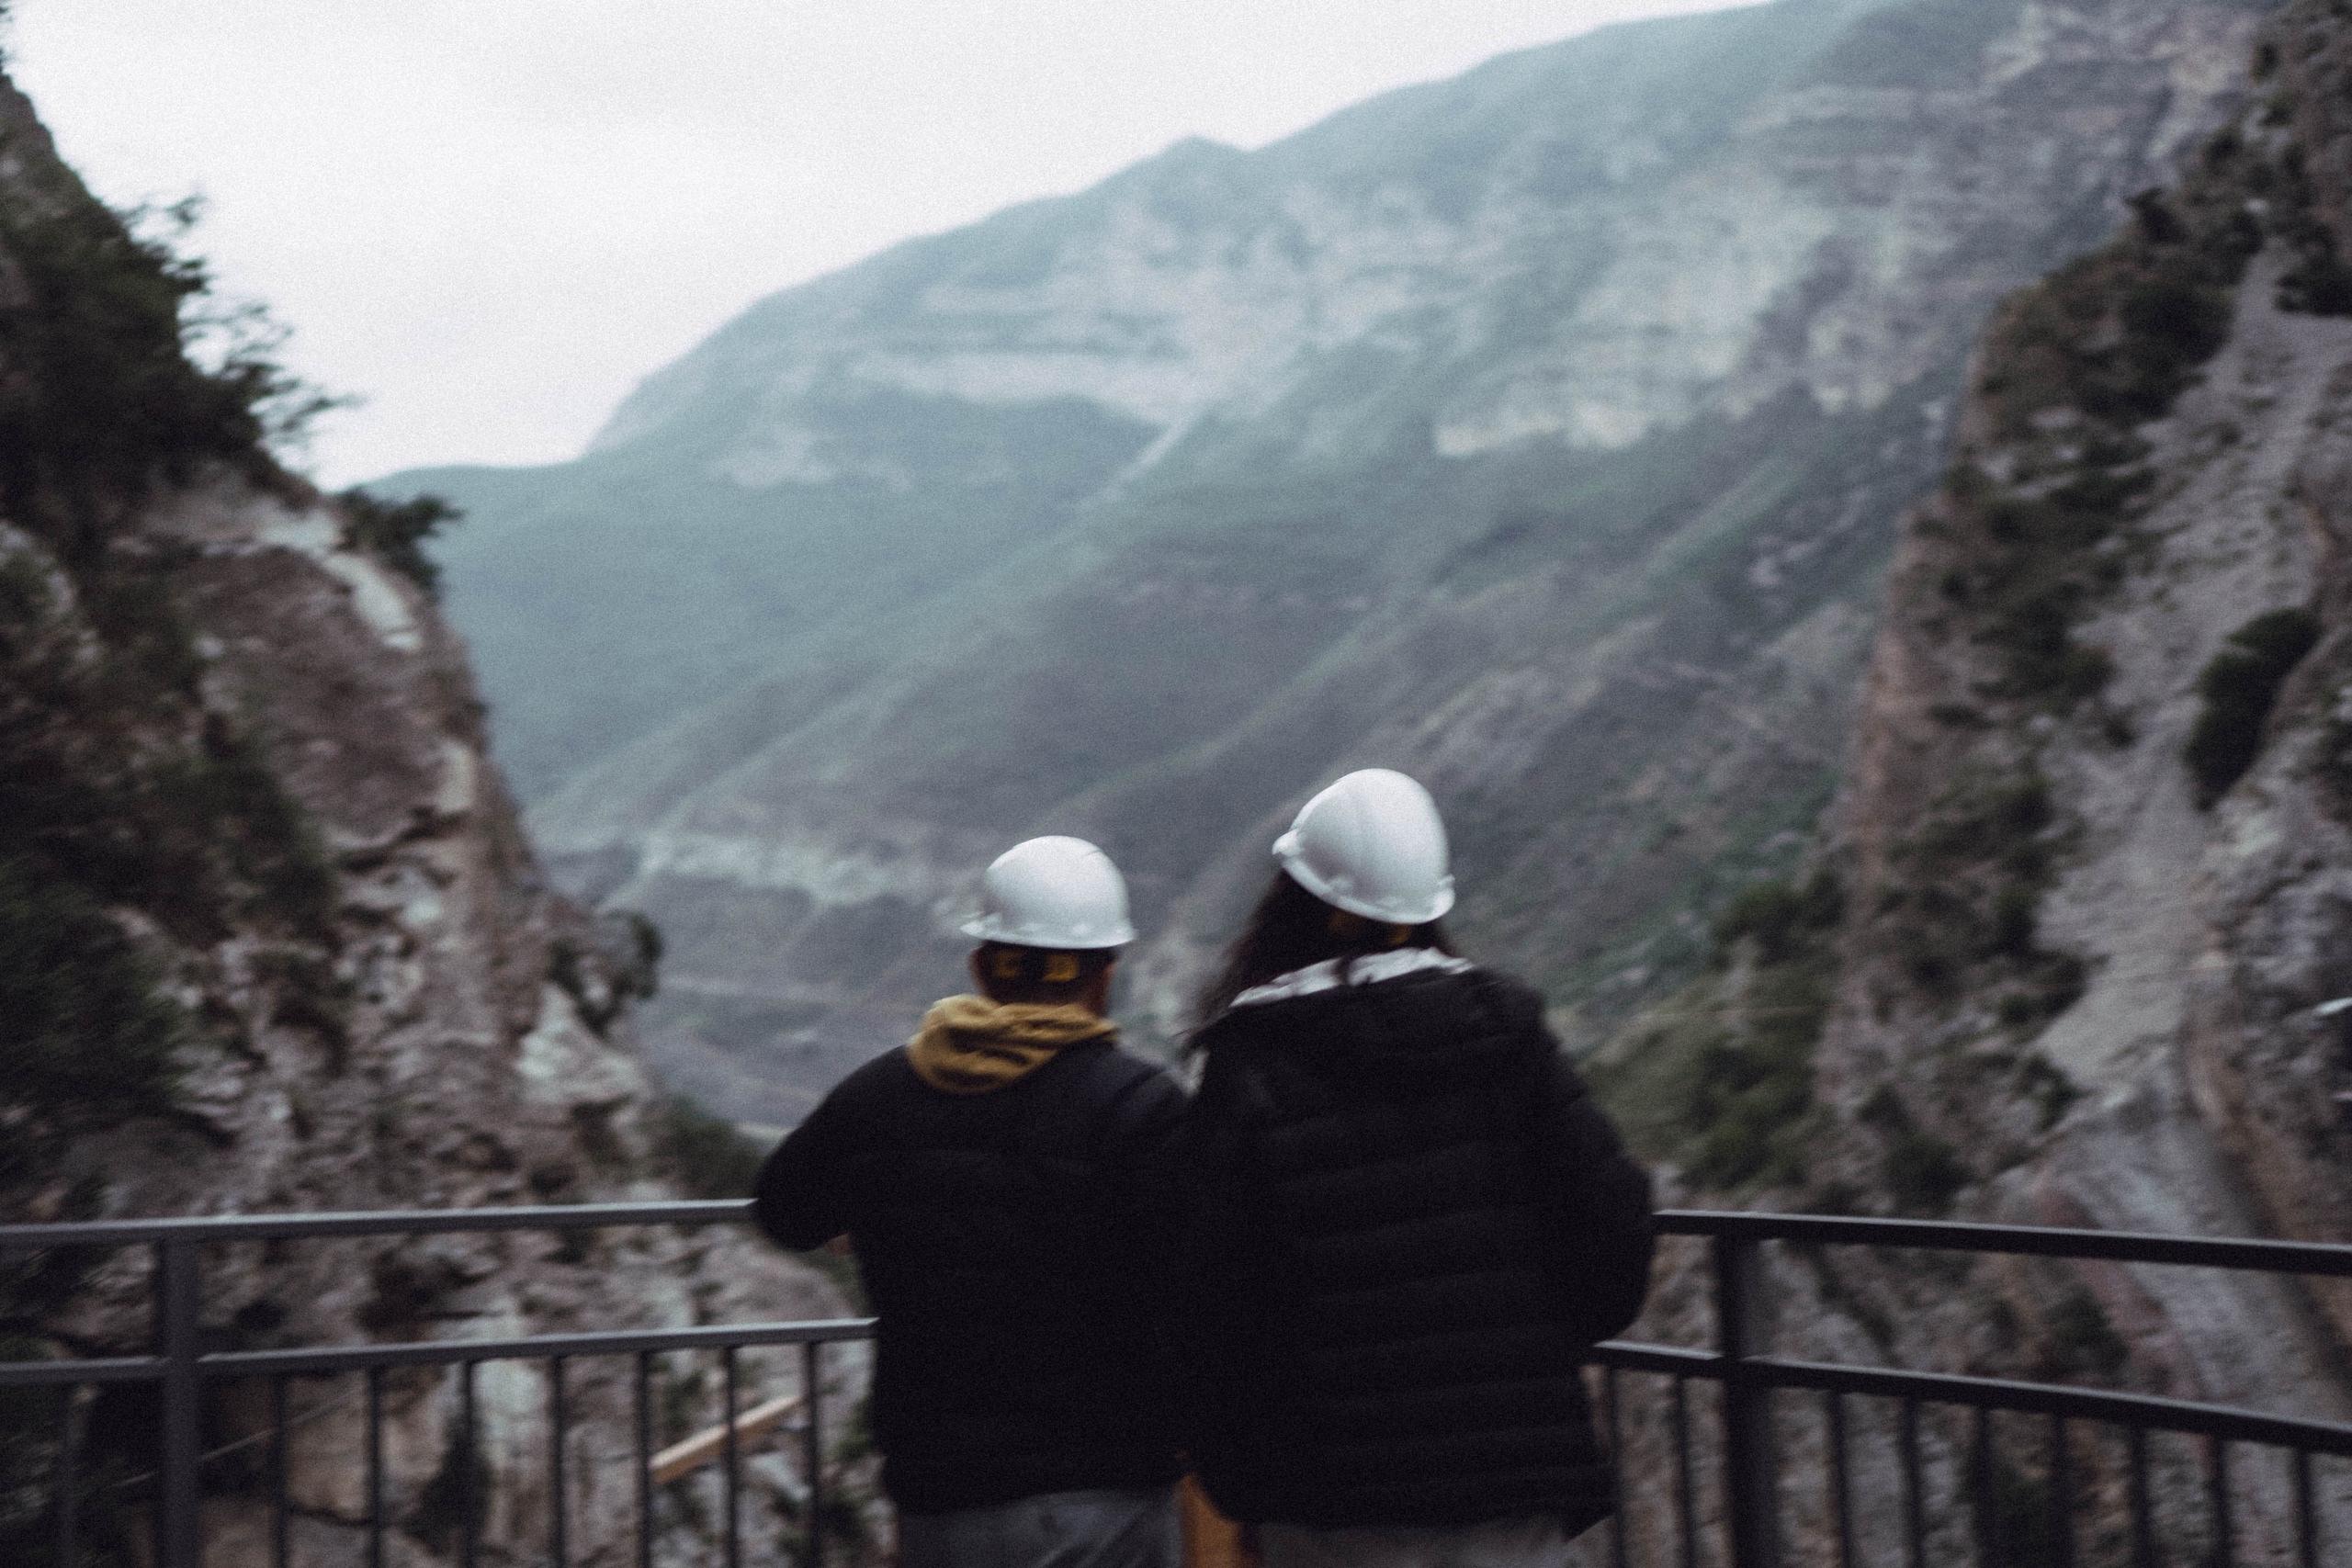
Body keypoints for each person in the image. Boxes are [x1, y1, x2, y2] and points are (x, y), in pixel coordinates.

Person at [1173, 770, 1655, 1568]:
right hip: (1512, 1484)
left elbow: (1212, 1302)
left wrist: (1242, 1483)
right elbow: (1611, 1240)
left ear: (1293, 902)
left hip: (1330, 1496)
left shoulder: (1248, 1063)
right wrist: (1523, 1353)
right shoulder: (1508, 1028)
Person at [754, 835, 1188, 1568]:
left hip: (940, 1499)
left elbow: (786, 1209)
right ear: (1105, 975)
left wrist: (876, 1211)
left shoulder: (881, 1094)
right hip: (1105, 1489)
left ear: (982, 964)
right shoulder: (1141, 1107)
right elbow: (1195, 1279)